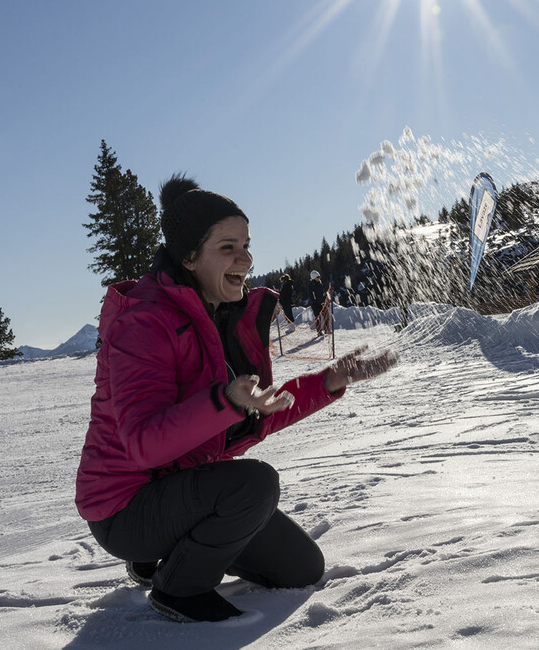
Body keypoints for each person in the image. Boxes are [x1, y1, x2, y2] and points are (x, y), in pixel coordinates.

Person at [74, 174, 398, 623]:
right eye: (227, 247)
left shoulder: (216, 316)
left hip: (183, 489)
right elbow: (143, 443)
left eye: (246, 244)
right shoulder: (145, 323)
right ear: (189, 256)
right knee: (255, 485)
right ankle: (177, 589)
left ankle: (171, 553)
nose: (245, 258)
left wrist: (330, 381)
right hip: (125, 508)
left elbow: (248, 414)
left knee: (302, 568)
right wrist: (224, 402)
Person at [308, 270, 328, 336]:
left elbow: (323, 293)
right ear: (314, 277)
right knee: (318, 317)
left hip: (322, 302)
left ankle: (327, 329)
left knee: (326, 315)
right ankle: (319, 331)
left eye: (319, 276)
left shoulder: (320, 284)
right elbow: (313, 296)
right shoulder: (312, 285)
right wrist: (316, 303)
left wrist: (325, 299)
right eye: (317, 277)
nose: (319, 278)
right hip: (315, 304)